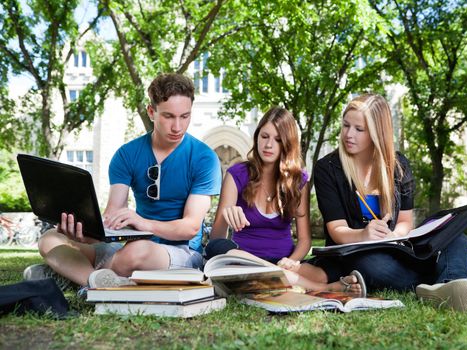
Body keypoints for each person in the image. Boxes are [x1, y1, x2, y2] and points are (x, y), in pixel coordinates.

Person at [23, 73, 222, 291]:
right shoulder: (127, 154)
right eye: (168, 116)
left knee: (135, 253)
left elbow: (190, 227)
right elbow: (113, 214)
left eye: (185, 116)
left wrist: (144, 224)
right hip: (128, 246)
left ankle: (75, 275)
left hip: (180, 252)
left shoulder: (204, 158)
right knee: (50, 239)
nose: (177, 126)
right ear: (151, 112)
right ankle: (96, 282)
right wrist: (90, 235)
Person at [295, 93, 467, 312]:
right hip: (357, 255)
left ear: (378, 133)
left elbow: (405, 221)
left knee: (457, 238)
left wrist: (394, 235)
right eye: (346, 125)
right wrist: (364, 235)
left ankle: (445, 285)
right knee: (372, 266)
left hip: (398, 250)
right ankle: (451, 279)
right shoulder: (327, 167)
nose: (349, 134)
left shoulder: (398, 165)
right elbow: (336, 229)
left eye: (359, 129)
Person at [205, 107, 365, 296]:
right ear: (257, 137)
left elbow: (305, 240)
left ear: (287, 143)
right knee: (217, 249)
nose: (268, 145)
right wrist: (226, 216)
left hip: (283, 262)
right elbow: (216, 238)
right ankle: (319, 288)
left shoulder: (298, 181)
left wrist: (292, 261)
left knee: (324, 271)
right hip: (243, 262)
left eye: (278, 139)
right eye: (264, 136)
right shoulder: (237, 174)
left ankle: (274, 280)